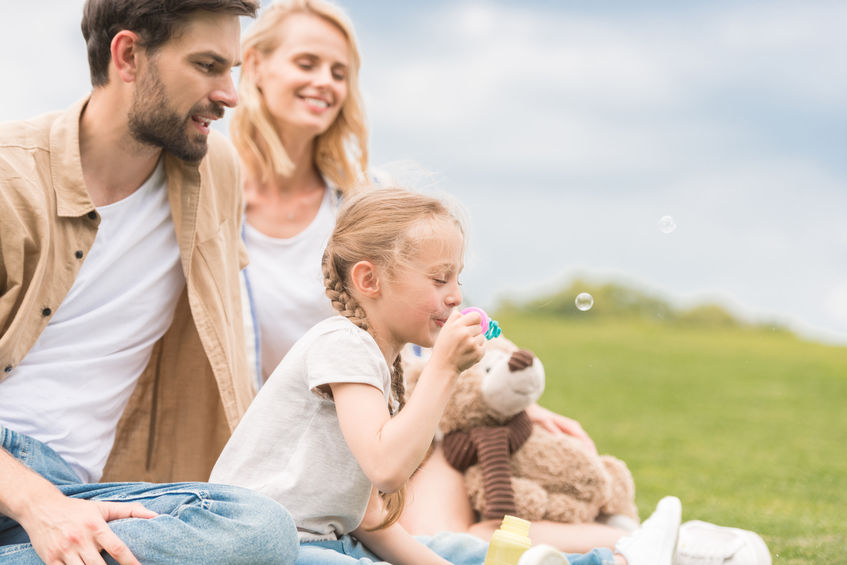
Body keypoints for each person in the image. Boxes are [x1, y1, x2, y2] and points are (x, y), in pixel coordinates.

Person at [210, 188, 683, 565]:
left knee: (456, 550)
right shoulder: (342, 344)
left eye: (458, 279)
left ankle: (619, 559)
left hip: (325, 542)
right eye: (439, 280)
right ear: (369, 280)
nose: (456, 296)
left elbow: (369, 516)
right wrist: (443, 369)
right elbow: (387, 470)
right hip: (269, 551)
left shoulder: (379, 361)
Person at [0, 1, 298, 563]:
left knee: (263, 530)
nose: (230, 93)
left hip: (92, 493)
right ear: (128, 55)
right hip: (15, 474)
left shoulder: (215, 173)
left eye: (231, 68)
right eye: (208, 66)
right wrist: (39, 504)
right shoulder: (9, 179)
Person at [229, 0, 370, 388]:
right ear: (256, 66)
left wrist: (507, 381)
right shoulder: (204, 202)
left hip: (357, 442)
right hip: (242, 443)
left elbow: (435, 314)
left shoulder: (364, 202)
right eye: (306, 64)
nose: (325, 81)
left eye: (339, 72)